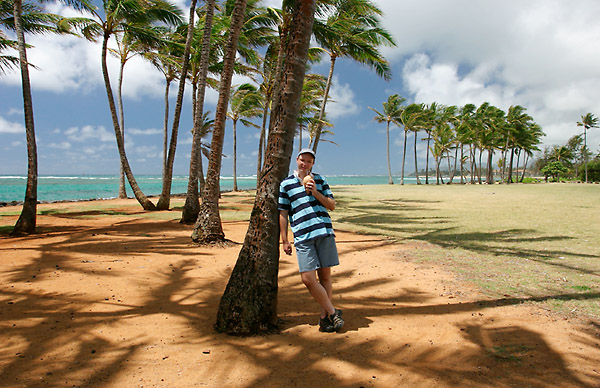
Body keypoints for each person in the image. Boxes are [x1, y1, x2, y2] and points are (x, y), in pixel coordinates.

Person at [278, 148, 344, 333]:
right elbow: (283, 212)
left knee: (325, 277)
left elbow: (331, 205)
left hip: (323, 231)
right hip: (302, 236)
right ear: (297, 160)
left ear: (313, 164)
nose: (305, 164)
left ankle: (325, 318)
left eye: (309, 161)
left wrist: (315, 192)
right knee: (308, 278)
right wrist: (285, 240)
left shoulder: (320, 180)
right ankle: (333, 311)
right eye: (302, 160)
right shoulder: (286, 185)